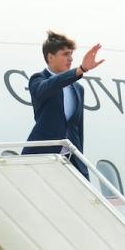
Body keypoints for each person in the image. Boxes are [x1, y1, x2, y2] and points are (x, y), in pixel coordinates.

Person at [21, 31, 104, 178]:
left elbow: (78, 128)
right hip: (43, 157)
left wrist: (80, 157)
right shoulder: (38, 80)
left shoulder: (78, 89)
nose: (70, 59)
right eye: (65, 54)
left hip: (72, 160)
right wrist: (80, 70)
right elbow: (50, 86)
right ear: (50, 57)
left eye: (71, 54)